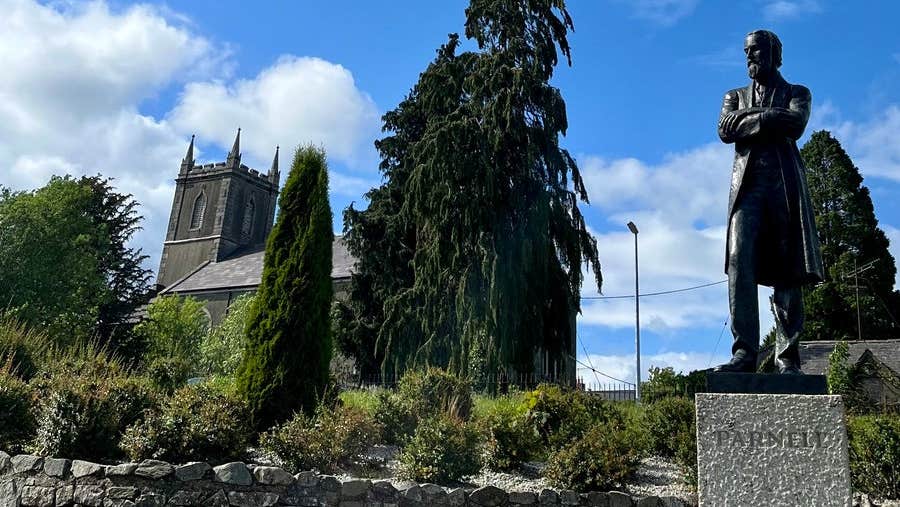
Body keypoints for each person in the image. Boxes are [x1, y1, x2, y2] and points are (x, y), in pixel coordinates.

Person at [714, 30, 823, 374]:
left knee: (787, 269)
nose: (750, 58)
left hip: (783, 186)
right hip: (747, 190)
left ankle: (787, 357)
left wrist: (755, 118)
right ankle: (744, 352)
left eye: (757, 51)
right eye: (747, 52)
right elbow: (724, 130)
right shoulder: (733, 95)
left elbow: (795, 123)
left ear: (776, 55)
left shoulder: (797, 92)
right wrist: (769, 119)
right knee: (737, 259)